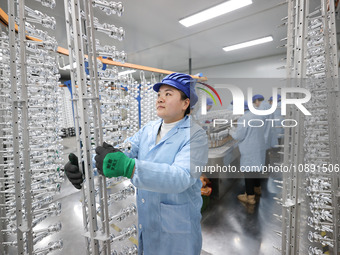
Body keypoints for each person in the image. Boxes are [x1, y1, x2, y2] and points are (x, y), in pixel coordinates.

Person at [64, 73, 208, 255]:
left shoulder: (196, 136)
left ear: (185, 103)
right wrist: (86, 166)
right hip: (149, 222)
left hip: (178, 228)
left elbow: (181, 177)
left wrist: (130, 167)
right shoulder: (149, 129)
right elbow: (125, 151)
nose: (160, 99)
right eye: (159, 94)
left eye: (168, 94)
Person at [230, 101, 266, 204]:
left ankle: (250, 197)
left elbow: (238, 136)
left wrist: (230, 131)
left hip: (249, 149)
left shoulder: (244, 118)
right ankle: (257, 188)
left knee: (249, 171)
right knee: (256, 169)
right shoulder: (258, 116)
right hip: (258, 147)